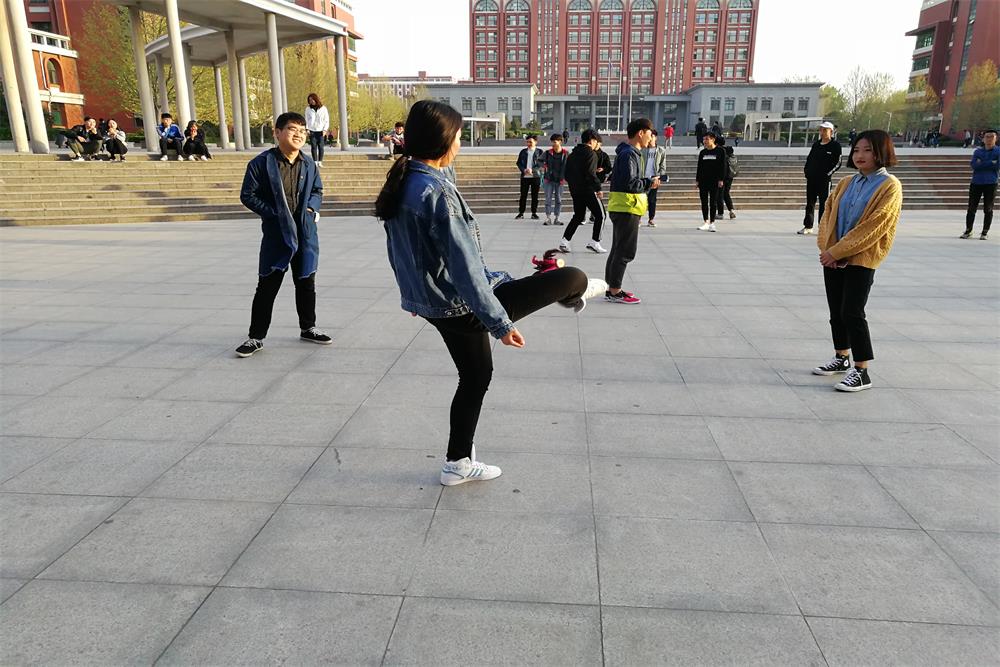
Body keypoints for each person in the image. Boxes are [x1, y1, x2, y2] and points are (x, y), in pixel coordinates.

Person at [375, 100, 606, 486]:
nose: (460, 144)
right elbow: (464, 270)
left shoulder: (405, 181)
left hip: (432, 303)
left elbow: (399, 250)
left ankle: (458, 463)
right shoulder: (436, 192)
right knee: (572, 276)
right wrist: (500, 324)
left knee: (476, 374)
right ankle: (579, 292)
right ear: (442, 140)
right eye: (458, 137)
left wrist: (413, 295)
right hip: (463, 305)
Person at [235, 112, 331, 358]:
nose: (299, 134)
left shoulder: (308, 164)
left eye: (302, 130)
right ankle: (256, 337)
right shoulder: (261, 164)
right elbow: (248, 195)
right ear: (277, 133)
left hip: (305, 233)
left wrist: (311, 209)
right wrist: (273, 213)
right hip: (277, 235)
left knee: (306, 281)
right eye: (292, 129)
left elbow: (317, 190)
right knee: (267, 285)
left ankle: (308, 327)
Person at [814, 129, 903, 392]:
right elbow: (828, 214)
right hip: (833, 256)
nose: (860, 155)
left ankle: (862, 370)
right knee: (836, 311)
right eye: (856, 150)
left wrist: (838, 251)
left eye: (868, 150)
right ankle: (841, 356)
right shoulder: (846, 182)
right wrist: (827, 249)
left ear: (881, 152)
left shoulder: (889, 186)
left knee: (852, 312)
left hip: (861, 258)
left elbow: (875, 226)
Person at [605, 118, 658, 304]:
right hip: (627, 207)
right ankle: (615, 291)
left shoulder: (628, 152)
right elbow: (630, 183)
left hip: (624, 206)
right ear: (640, 133)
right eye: (650, 134)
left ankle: (612, 288)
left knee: (618, 249)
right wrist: (650, 183)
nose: (651, 138)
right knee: (625, 251)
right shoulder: (629, 154)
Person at [559, 128, 607, 253]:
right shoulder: (591, 154)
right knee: (601, 215)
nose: (597, 144)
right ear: (592, 141)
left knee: (579, 216)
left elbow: (566, 174)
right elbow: (591, 174)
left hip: (575, 190)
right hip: (589, 190)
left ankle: (565, 241)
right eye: (596, 141)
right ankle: (595, 242)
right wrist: (598, 188)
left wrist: (575, 185)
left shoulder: (572, 154)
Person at [799, 121, 843, 235]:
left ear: (831, 132)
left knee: (824, 204)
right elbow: (809, 159)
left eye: (825, 130)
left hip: (824, 180)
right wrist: (807, 171)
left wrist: (827, 174)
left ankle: (822, 227)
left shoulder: (835, 146)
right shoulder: (816, 145)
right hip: (812, 179)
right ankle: (808, 226)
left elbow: (838, 163)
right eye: (821, 130)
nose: (822, 132)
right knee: (810, 203)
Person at [961, 128, 998, 240]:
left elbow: (997, 165)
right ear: (983, 139)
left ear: (996, 138)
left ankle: (984, 232)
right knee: (971, 208)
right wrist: (991, 162)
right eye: (987, 137)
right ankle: (968, 230)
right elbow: (974, 165)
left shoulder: (998, 151)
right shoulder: (977, 152)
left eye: (991, 137)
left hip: (991, 183)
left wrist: (982, 163)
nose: (989, 139)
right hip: (976, 182)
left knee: (988, 208)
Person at [696, 131, 728, 232]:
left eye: (707, 139)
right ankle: (706, 221)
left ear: (713, 139)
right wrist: (697, 180)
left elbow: (723, 166)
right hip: (703, 181)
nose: (704, 141)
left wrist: (721, 179)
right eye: (704, 139)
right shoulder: (703, 152)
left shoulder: (720, 151)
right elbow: (699, 167)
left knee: (713, 202)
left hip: (715, 181)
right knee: (704, 202)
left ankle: (712, 223)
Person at [541, 133, 569, 225]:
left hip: (560, 180)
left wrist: (566, 177)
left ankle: (557, 218)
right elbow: (539, 161)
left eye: (555, 142)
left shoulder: (565, 153)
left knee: (559, 200)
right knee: (548, 199)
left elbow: (570, 165)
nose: (553, 143)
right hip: (549, 179)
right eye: (552, 142)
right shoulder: (548, 153)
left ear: (560, 142)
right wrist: (544, 166)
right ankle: (548, 218)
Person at [514, 134, 544, 220]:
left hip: (535, 176)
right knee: (523, 195)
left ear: (536, 142)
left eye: (530, 142)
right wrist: (523, 170)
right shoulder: (523, 152)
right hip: (525, 177)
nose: (529, 144)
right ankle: (521, 213)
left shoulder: (540, 152)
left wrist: (532, 170)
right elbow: (518, 163)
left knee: (535, 196)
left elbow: (541, 164)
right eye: (527, 142)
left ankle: (534, 213)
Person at [645, 129, 669, 227]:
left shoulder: (661, 151)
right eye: (649, 136)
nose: (650, 138)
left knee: (652, 200)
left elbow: (663, 166)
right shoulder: (643, 149)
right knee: (641, 199)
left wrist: (659, 177)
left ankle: (651, 219)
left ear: (656, 138)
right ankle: (638, 219)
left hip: (654, 178)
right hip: (643, 178)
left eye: (652, 136)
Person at [715, 135, 737, 220]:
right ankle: (731, 210)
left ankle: (720, 213)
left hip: (722, 176)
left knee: (719, 195)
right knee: (726, 193)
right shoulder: (728, 151)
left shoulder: (720, 151)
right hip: (730, 176)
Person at [305, 93, 329, 167]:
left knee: (321, 147)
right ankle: (315, 161)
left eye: (312, 99)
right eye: (310, 100)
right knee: (313, 146)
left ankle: (320, 161)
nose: (311, 101)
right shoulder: (308, 109)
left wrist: (325, 130)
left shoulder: (323, 108)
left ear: (316, 99)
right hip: (312, 130)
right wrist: (307, 129)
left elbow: (326, 120)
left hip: (321, 130)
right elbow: (306, 119)